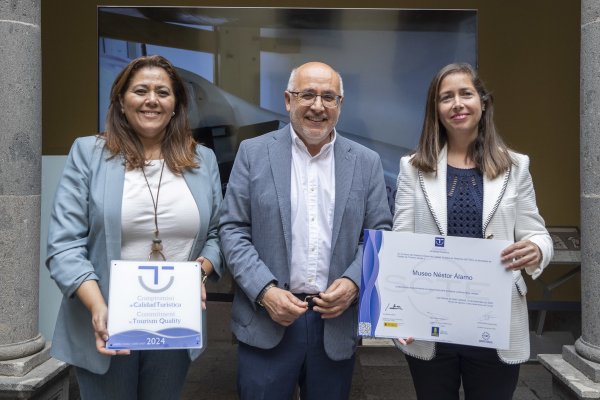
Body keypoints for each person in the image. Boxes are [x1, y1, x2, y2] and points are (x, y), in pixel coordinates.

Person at [46, 55, 223, 400]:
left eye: (163, 92)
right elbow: (64, 246)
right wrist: (99, 308)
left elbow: (216, 235)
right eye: (140, 90)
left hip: (174, 322)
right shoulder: (88, 154)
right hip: (106, 321)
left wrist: (198, 275)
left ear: (176, 105)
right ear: (121, 102)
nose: (152, 100)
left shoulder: (202, 160)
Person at [219, 61, 392, 399]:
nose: (317, 105)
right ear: (287, 100)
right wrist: (265, 292)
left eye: (329, 97)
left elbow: (379, 232)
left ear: (340, 105)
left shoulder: (366, 162)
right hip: (266, 317)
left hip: (334, 322)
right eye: (307, 94)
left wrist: (355, 282)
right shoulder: (253, 153)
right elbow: (232, 229)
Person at [393, 63, 553, 399]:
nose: (457, 104)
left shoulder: (515, 166)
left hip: (496, 317)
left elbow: (537, 233)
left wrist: (537, 249)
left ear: (483, 102)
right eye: (446, 97)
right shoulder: (412, 168)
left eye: (466, 93)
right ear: (435, 110)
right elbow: (401, 243)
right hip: (431, 319)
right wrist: (398, 314)